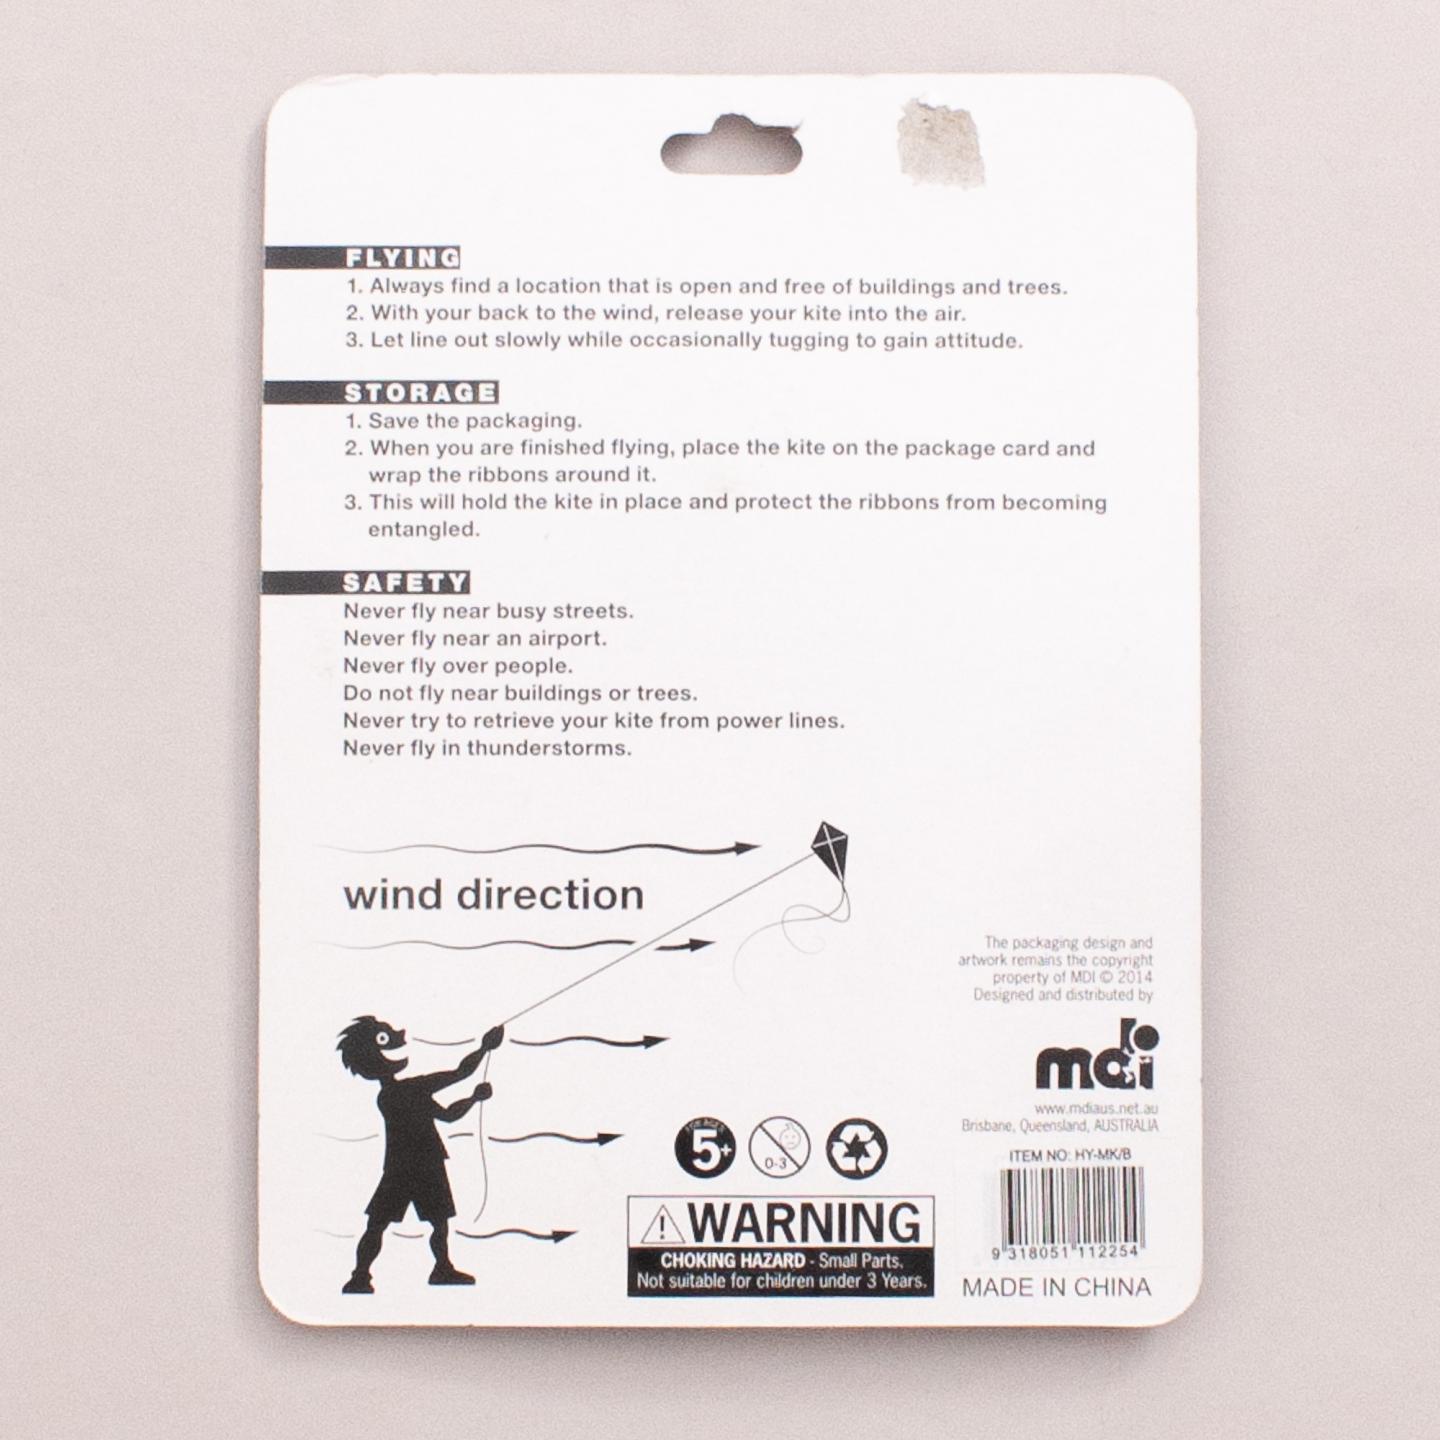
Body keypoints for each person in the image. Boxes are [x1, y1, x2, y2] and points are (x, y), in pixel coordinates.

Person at [335, 1015, 504, 1293]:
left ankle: (367, 1275)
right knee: (420, 1224)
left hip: (404, 1166)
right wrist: (484, 1049)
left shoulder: (396, 1094)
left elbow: (448, 1114)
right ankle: (376, 1274)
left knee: (391, 1224)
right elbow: (460, 1073)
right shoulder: (407, 1090)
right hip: (421, 1165)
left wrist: (474, 1098)